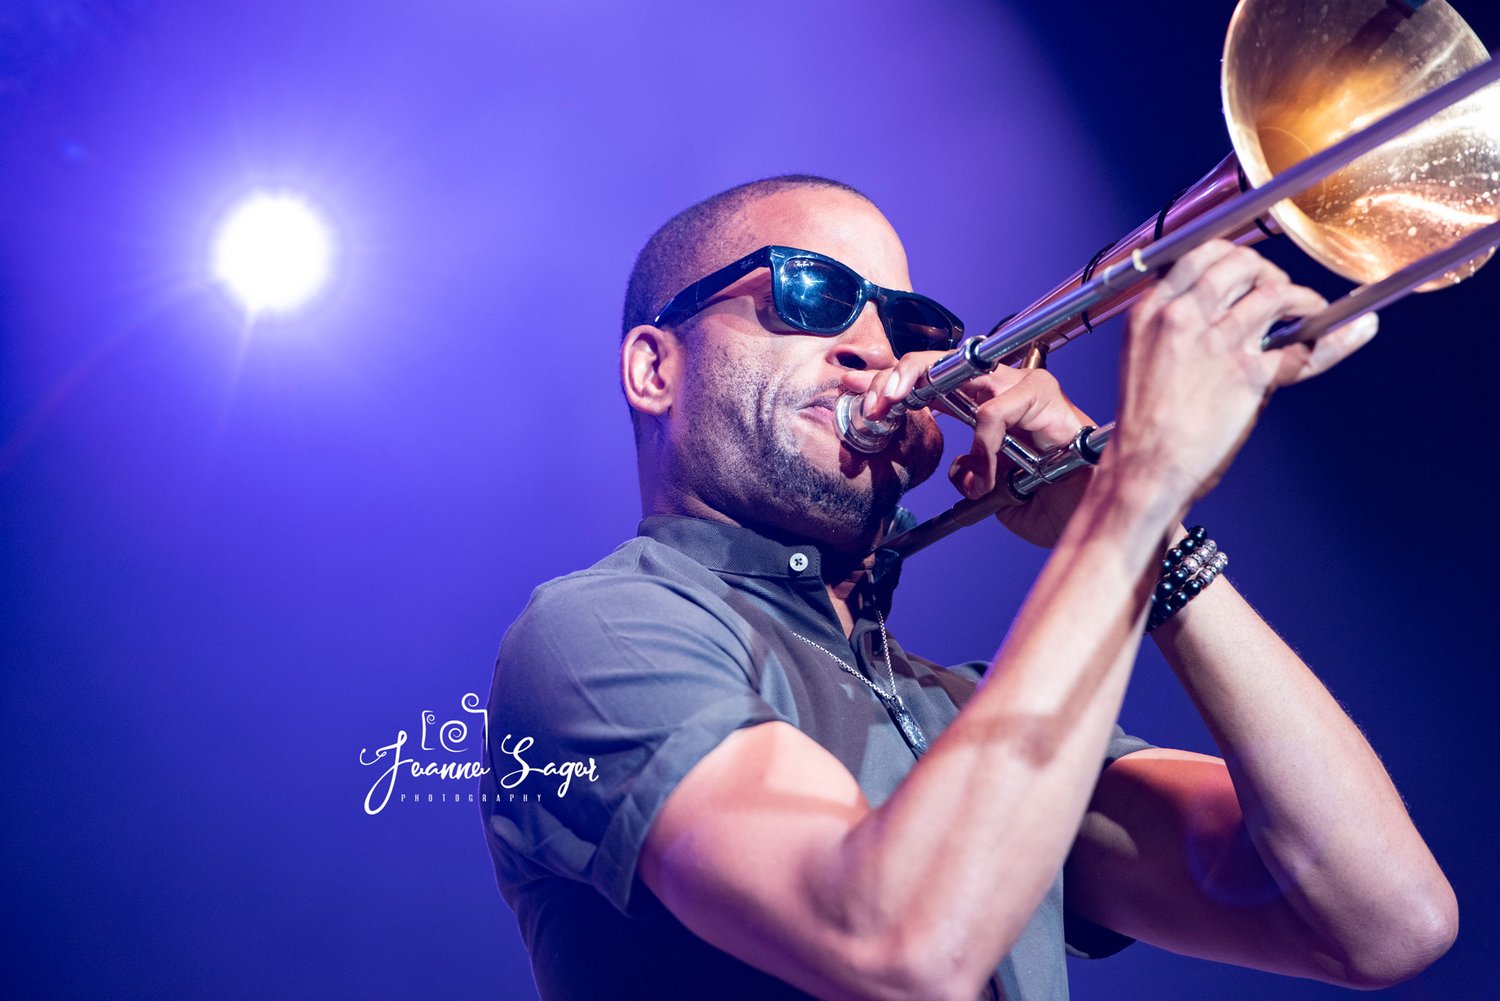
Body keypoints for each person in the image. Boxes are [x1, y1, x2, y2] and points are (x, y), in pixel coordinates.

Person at [479, 175, 1456, 1000]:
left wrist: (1149, 537)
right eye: (809, 291)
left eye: (911, 326)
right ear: (655, 367)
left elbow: (1381, 917)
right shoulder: (599, 630)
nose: (876, 348)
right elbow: (895, 939)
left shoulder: (971, 714)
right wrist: (1138, 483)